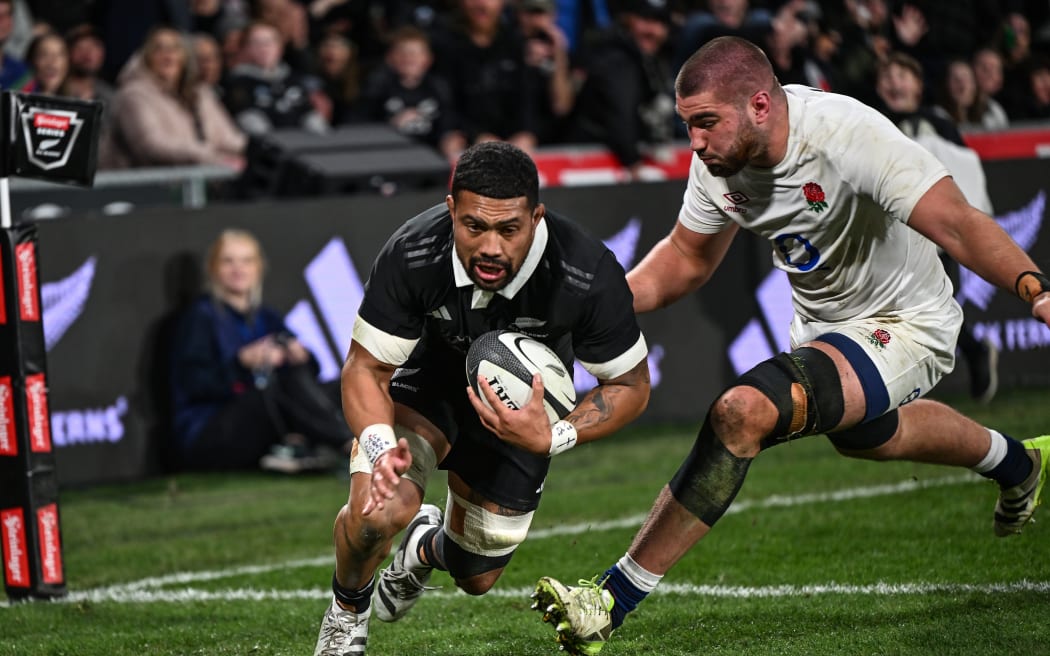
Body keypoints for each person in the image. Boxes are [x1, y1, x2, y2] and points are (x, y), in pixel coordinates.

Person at [531, 36, 1050, 656]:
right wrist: (593, 303)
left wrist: (1036, 291)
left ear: (758, 104)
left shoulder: (847, 135)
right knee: (870, 437)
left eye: (705, 124)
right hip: (825, 329)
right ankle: (1018, 464)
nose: (694, 143)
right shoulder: (718, 163)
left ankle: (611, 599)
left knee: (742, 410)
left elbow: (959, 222)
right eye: (688, 125)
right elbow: (686, 259)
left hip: (908, 321)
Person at [312, 141, 652, 655]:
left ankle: (424, 548)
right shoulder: (414, 252)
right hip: (427, 387)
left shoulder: (584, 272)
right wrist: (380, 448)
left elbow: (630, 386)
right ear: (451, 211)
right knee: (377, 511)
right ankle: (345, 617)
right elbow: (366, 367)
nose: (490, 246)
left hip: (521, 413)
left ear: (536, 217)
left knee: (477, 575)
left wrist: (553, 434)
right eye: (474, 226)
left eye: (508, 229)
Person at [169, 228, 355, 474]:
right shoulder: (201, 317)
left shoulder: (266, 316)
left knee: (337, 385)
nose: (238, 269)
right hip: (210, 432)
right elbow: (193, 384)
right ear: (213, 268)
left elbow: (309, 374)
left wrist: (300, 356)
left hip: (262, 420)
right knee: (278, 388)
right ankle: (349, 446)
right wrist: (241, 363)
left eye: (246, 261)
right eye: (228, 261)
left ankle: (308, 447)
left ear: (258, 268)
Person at [100, 26, 246, 169]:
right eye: (159, 48)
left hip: (197, 180)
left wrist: (251, 150)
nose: (167, 54)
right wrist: (210, 157)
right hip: (146, 186)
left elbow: (227, 137)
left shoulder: (200, 93)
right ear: (146, 57)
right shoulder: (133, 94)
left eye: (174, 48)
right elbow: (151, 146)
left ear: (185, 57)